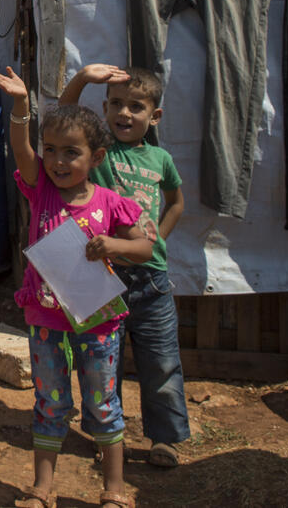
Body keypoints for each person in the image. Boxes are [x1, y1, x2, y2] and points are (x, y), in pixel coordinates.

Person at [0, 67, 150, 508]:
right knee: (50, 401)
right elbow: (21, 147)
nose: (58, 161)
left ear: (96, 157)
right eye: (51, 150)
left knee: (103, 403)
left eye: (71, 152)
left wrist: (114, 245)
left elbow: (145, 246)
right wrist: (20, 105)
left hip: (98, 322)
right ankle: (42, 489)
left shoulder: (112, 203)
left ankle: (114, 491)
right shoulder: (41, 189)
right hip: (46, 321)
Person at [61, 64, 189, 468]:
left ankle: (164, 439)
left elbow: (176, 202)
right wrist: (82, 78)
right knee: (101, 363)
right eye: (116, 104)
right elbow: (63, 118)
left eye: (136, 106)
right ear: (104, 109)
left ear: (155, 115)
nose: (125, 113)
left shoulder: (161, 159)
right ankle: (106, 436)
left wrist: (157, 240)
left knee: (161, 361)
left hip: (152, 279)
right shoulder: (98, 152)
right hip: (104, 273)